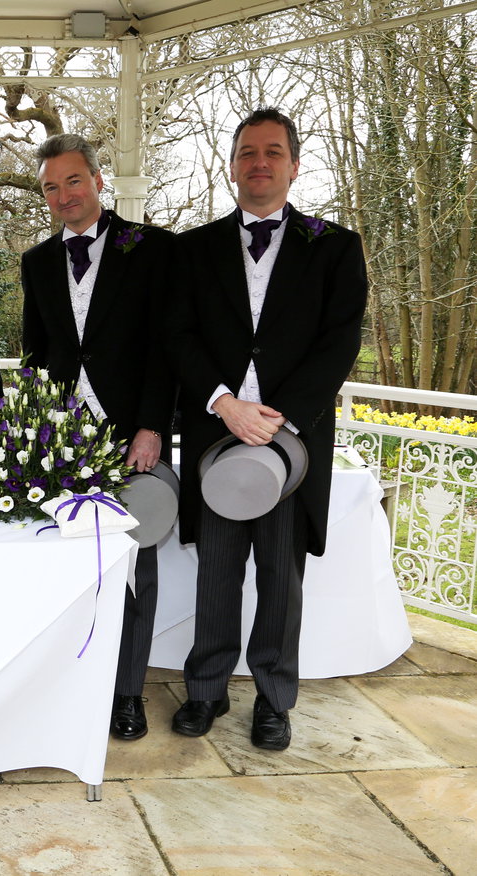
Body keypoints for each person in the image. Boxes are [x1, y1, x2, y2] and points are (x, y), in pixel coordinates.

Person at [168, 108, 366, 750]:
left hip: (292, 447)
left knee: (282, 578)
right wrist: (225, 404)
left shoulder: (335, 247)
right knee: (217, 572)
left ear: (294, 165)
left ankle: (275, 700)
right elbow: (179, 336)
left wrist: (277, 421)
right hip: (217, 436)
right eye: (248, 152)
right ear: (231, 166)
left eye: (273, 152)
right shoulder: (191, 250)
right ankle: (206, 690)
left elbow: (339, 343)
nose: (260, 162)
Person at [20, 134, 176, 742]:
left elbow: (166, 347)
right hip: (63, 441)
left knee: (135, 565)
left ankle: (128, 693)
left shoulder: (150, 247)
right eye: (51, 188)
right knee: (65, 562)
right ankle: (69, 684)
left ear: (97, 180)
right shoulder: (36, 262)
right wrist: (37, 432)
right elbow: (37, 352)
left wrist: (152, 425)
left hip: (133, 436)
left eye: (73, 181)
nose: (64, 196)